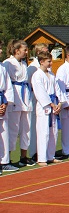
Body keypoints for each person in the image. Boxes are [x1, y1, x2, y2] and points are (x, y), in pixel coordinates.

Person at [4, 40, 36, 167]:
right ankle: (7, 158)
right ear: (17, 51)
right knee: (13, 129)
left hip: (25, 96)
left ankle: (23, 156)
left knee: (26, 128)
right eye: (24, 50)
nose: (26, 52)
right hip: (14, 97)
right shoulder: (8, 63)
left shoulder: (23, 63)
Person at [31, 51, 61, 166]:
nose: (51, 63)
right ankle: (42, 158)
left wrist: (59, 103)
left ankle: (50, 156)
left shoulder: (51, 75)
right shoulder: (37, 75)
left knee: (53, 132)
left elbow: (57, 89)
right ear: (42, 62)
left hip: (54, 104)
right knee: (43, 132)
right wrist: (51, 104)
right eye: (49, 61)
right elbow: (40, 93)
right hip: (44, 107)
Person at [0, 40, 17, 173]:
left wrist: (5, 103)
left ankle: (4, 162)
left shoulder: (2, 67)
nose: (1, 51)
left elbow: (8, 87)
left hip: (2, 101)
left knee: (4, 133)